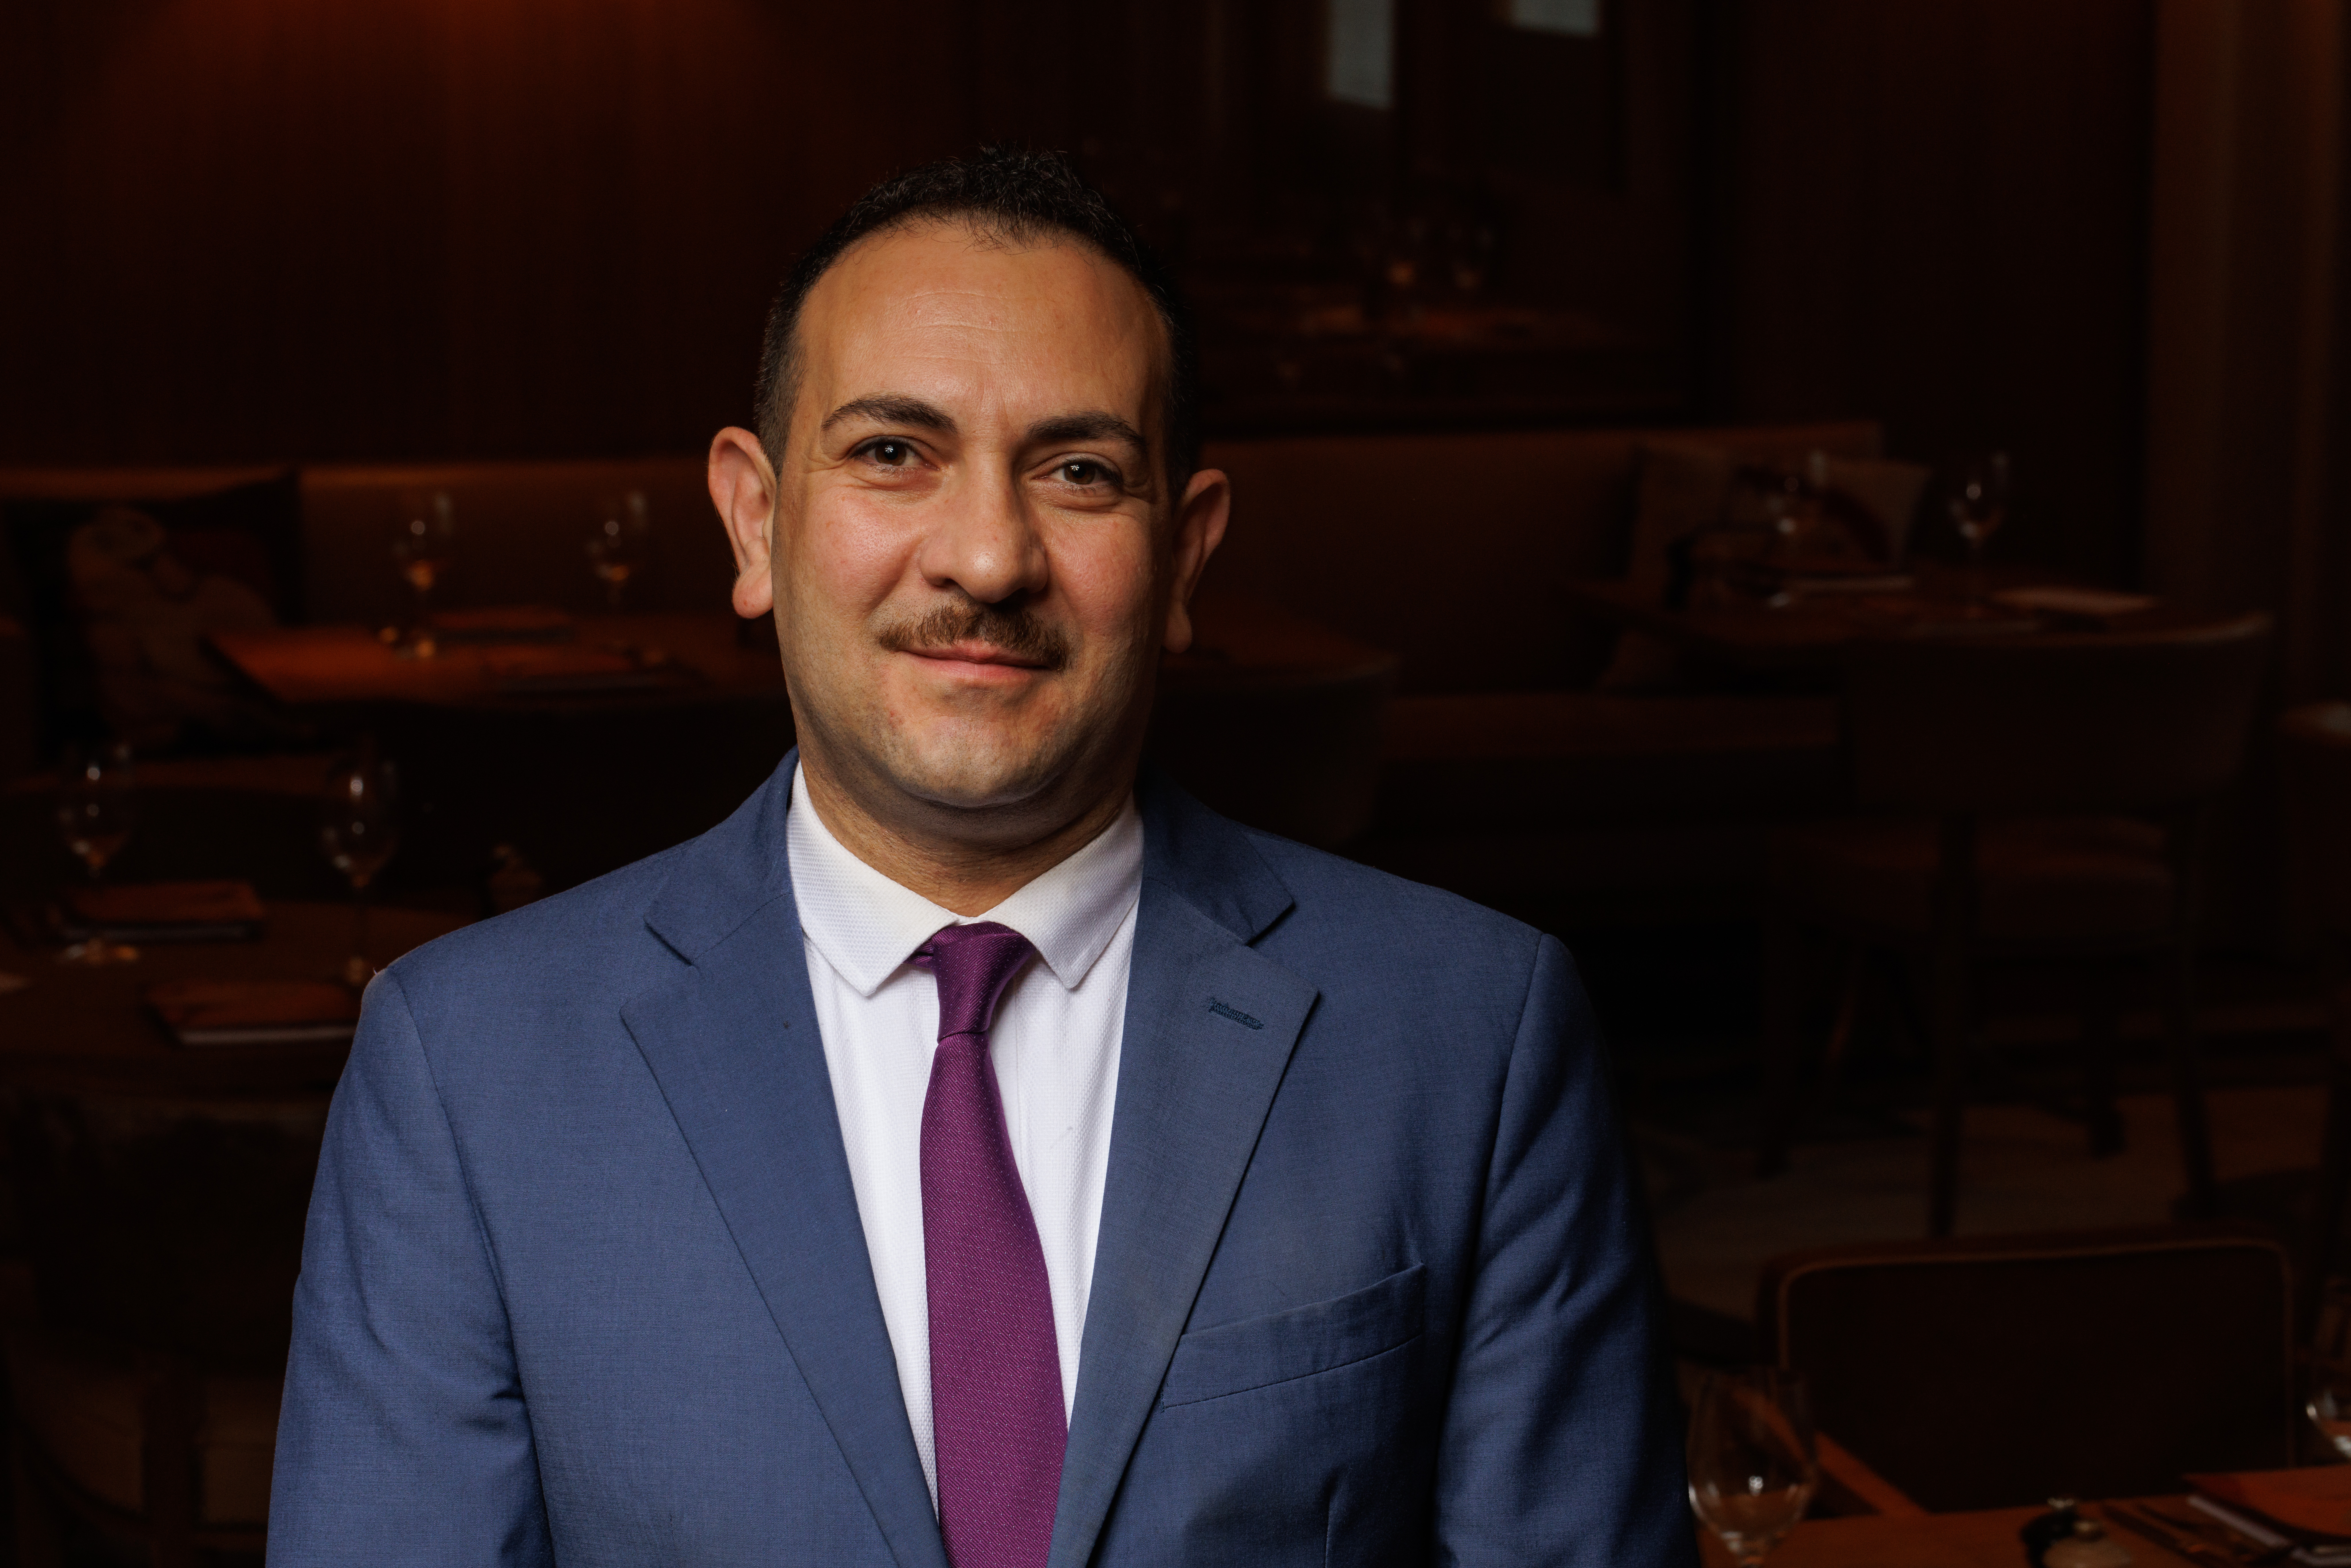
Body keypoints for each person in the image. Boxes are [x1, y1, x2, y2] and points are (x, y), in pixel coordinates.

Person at [269, 149, 1692, 1568]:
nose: (989, 557)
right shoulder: (465, 1067)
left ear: (1185, 555)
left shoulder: (1473, 1033)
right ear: (756, 520)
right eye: (894, 453)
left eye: (1078, 471)